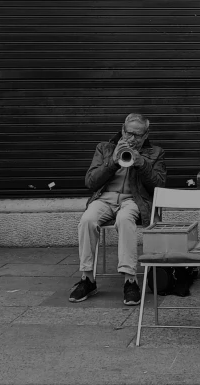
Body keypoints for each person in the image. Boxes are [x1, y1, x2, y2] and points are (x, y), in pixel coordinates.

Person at [69, 113, 166, 305]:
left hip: (133, 200)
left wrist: (142, 164)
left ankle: (130, 281)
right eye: (129, 133)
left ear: (146, 135)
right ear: (122, 130)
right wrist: (112, 162)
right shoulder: (105, 148)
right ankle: (87, 278)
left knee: (124, 219)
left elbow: (160, 186)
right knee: (87, 220)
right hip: (105, 198)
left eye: (138, 135)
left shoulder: (156, 152)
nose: (132, 139)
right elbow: (90, 182)